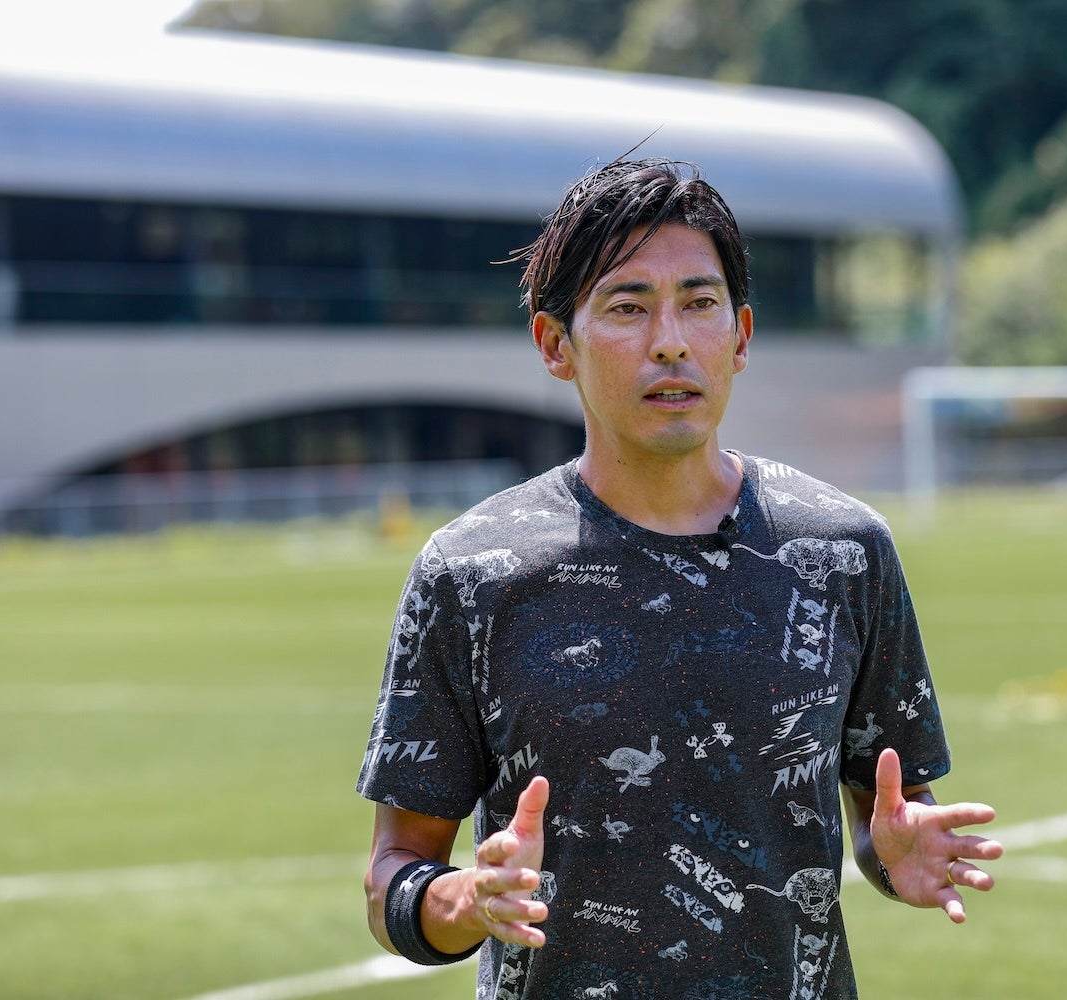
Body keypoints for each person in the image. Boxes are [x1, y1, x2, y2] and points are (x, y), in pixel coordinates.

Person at [357, 157, 1001, 999]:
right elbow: (392, 876)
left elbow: (887, 816)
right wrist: (468, 899)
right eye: (628, 307)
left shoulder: (844, 552)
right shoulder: (472, 572)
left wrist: (894, 854)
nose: (670, 340)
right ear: (555, 345)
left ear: (740, 337)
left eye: (698, 304)